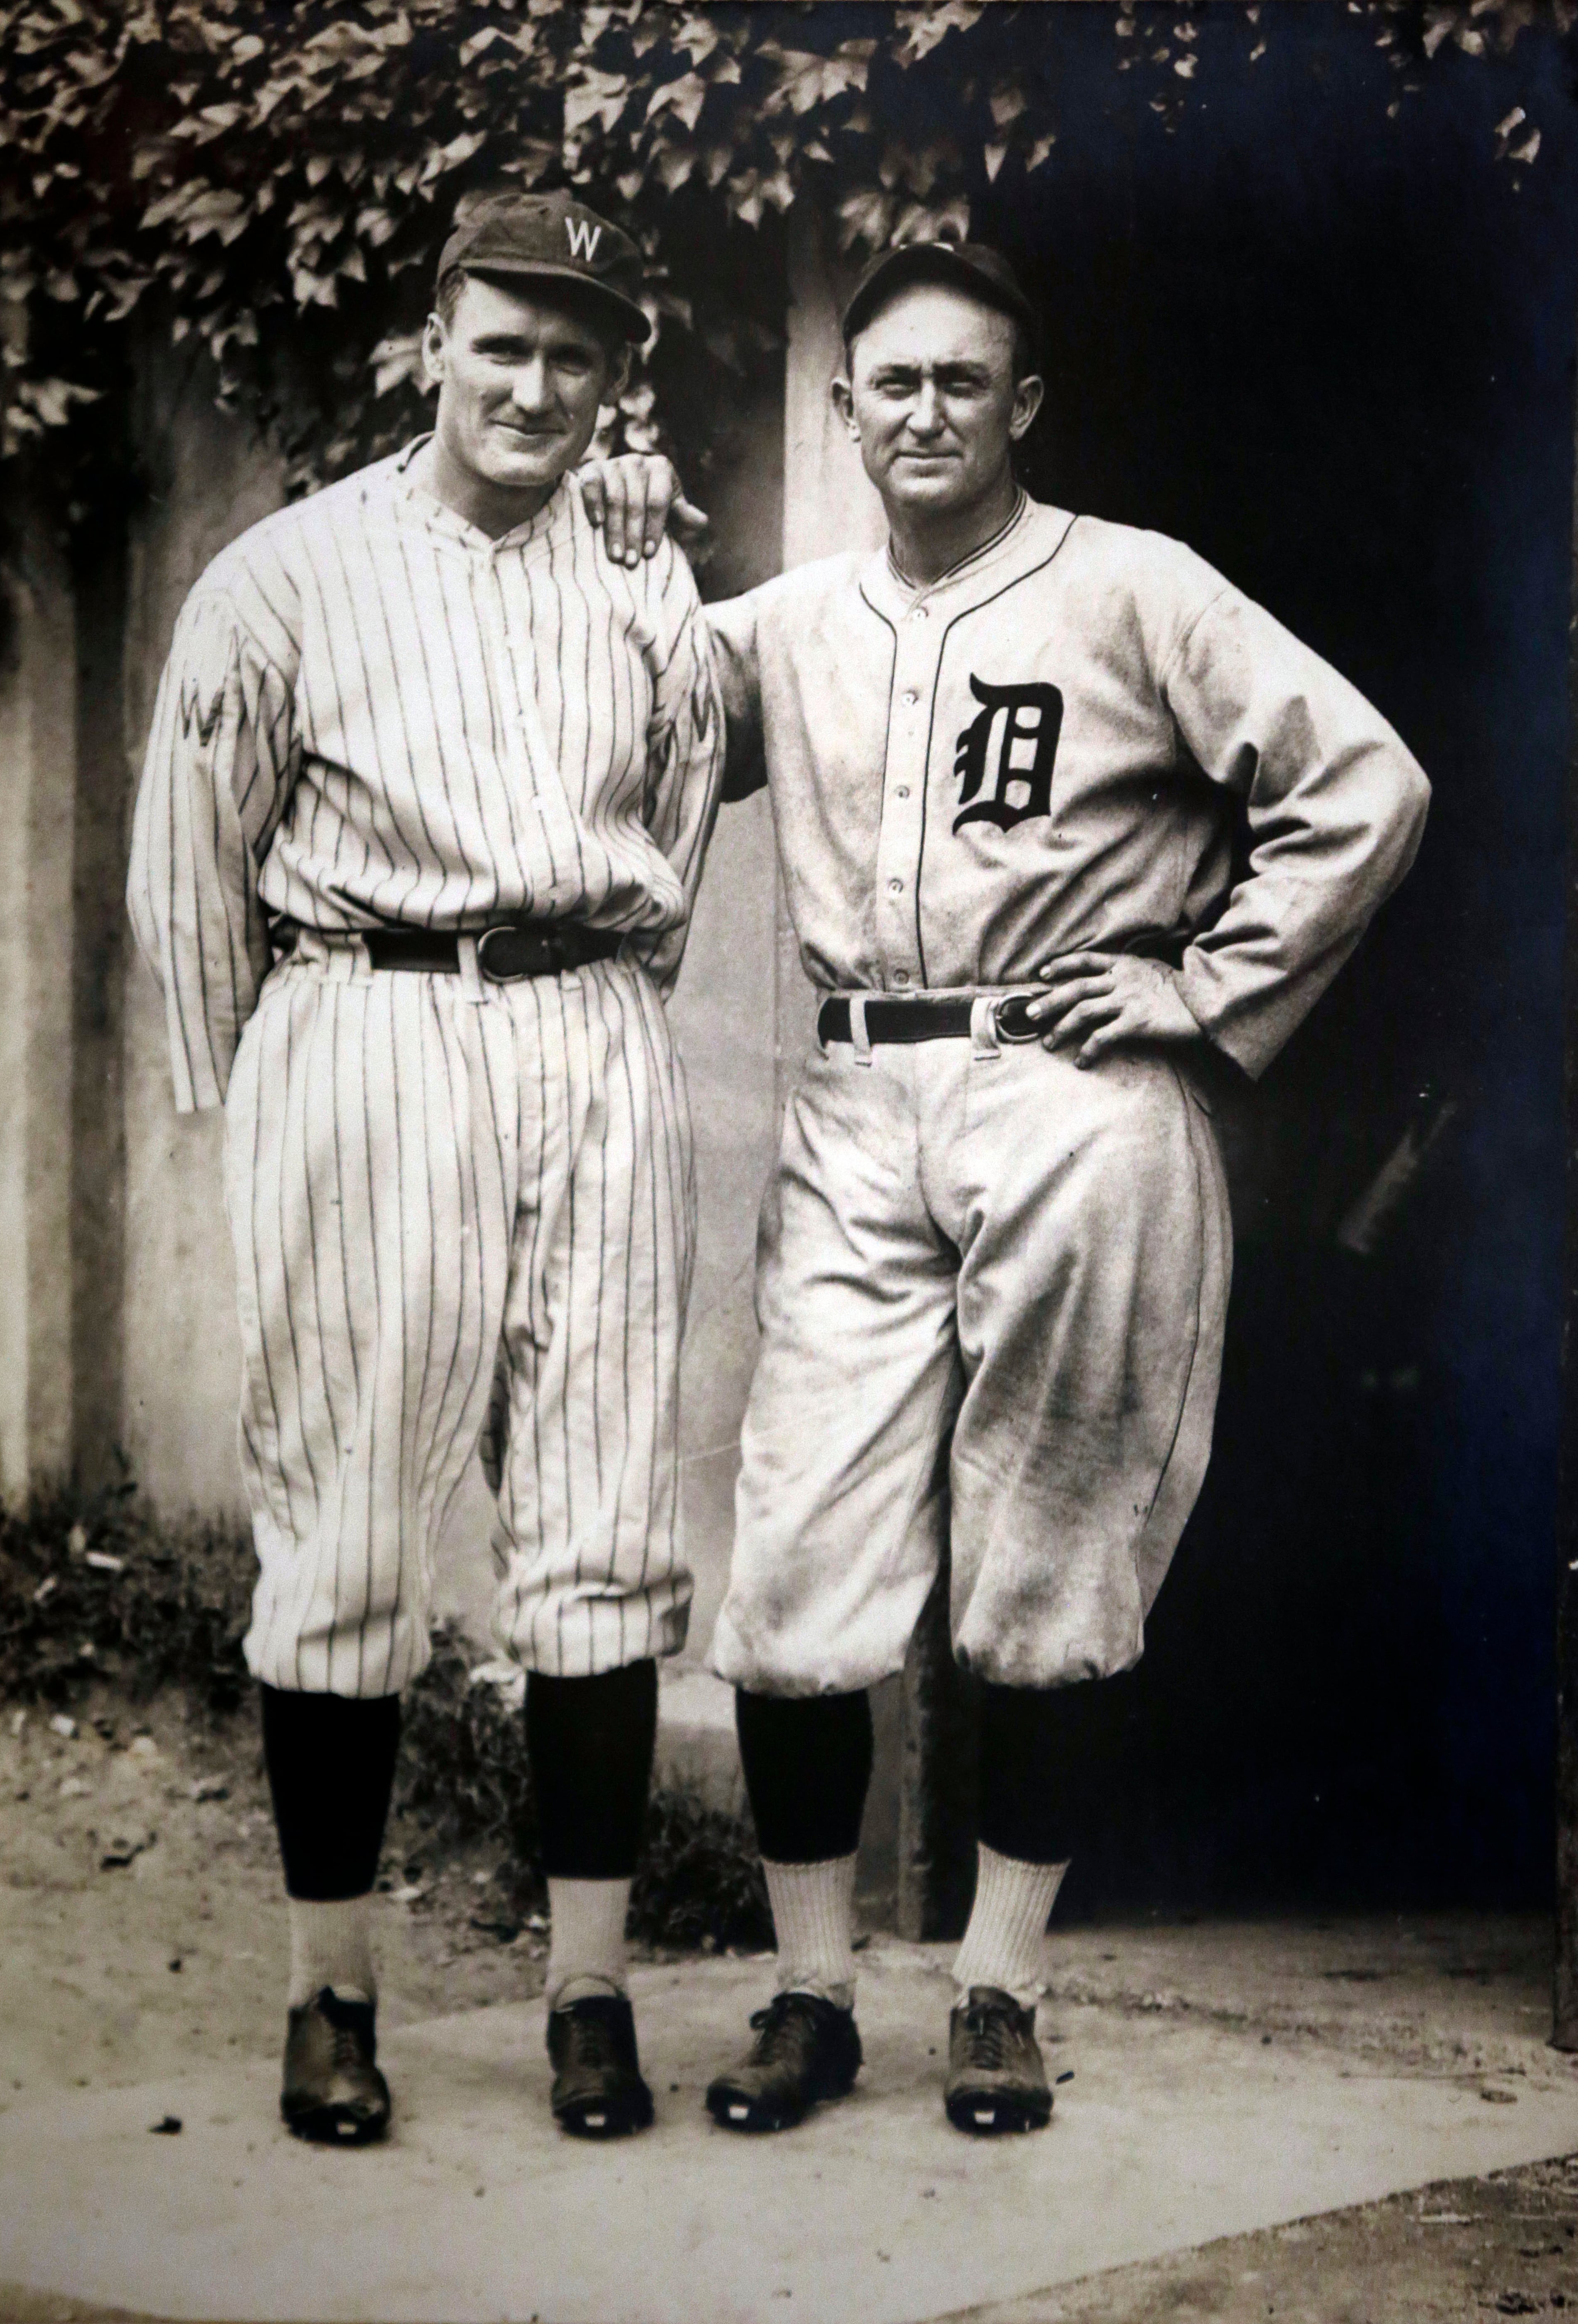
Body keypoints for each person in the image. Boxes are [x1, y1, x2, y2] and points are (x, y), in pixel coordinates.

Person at [576, 236, 1429, 2136]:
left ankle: (996, 1987)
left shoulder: (1139, 587)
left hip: (1077, 1089)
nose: (930, 413)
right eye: (896, 383)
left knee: (1053, 1571)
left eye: (968, 381)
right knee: (795, 1570)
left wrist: (1204, 986)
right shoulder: (785, 623)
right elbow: (606, 725)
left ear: (1022, 404)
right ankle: (812, 1991)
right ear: (847, 408)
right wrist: (614, 528)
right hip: (860, 1087)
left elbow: (1364, 782)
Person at [128, 190, 724, 2146]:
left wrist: (605, 1023)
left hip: (590, 1028)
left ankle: (588, 1993)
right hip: (368, 1020)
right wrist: (279, 1100)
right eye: (503, 341)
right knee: (356, 1540)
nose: (534, 383)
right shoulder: (284, 576)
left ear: (612, 377)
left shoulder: (648, 582)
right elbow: (190, 884)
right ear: (433, 344)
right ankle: (330, 1993)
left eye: (575, 352)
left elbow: (678, 832)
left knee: (599, 1533)